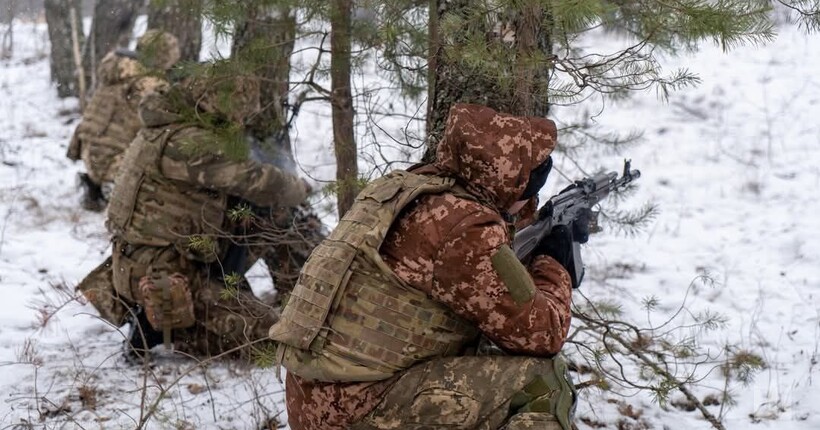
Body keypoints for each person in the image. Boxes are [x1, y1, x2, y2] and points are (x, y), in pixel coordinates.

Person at [270, 103, 580, 429]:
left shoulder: (407, 189)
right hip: (358, 408)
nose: (530, 198)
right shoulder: (465, 227)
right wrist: (554, 260)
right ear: (512, 181)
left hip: (314, 399)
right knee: (546, 383)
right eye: (530, 188)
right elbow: (544, 333)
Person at [77, 65, 312, 361]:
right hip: (167, 276)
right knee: (275, 339)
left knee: (272, 212)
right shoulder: (187, 142)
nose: (239, 120)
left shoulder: (168, 125)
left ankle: (300, 300)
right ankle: (164, 327)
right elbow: (257, 180)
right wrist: (301, 188)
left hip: (172, 260)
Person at [66, 30, 181, 211]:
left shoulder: (116, 70)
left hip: (88, 153)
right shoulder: (151, 83)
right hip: (115, 160)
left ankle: (95, 184)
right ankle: (115, 186)